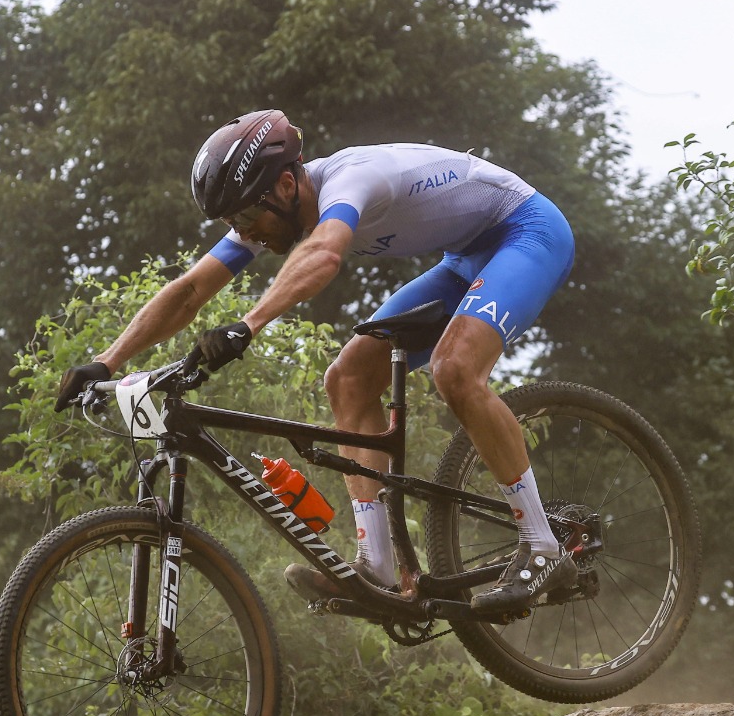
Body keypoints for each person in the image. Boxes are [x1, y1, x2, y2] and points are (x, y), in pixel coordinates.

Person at [53, 109, 576, 613]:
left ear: (284, 186)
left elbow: (324, 254)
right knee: (347, 380)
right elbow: (191, 290)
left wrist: (249, 324)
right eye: (234, 220)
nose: (244, 230)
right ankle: (375, 566)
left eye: (246, 215)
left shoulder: (350, 181)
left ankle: (544, 546)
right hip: (464, 260)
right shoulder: (272, 208)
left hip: (526, 231)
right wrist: (108, 360)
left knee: (455, 368)